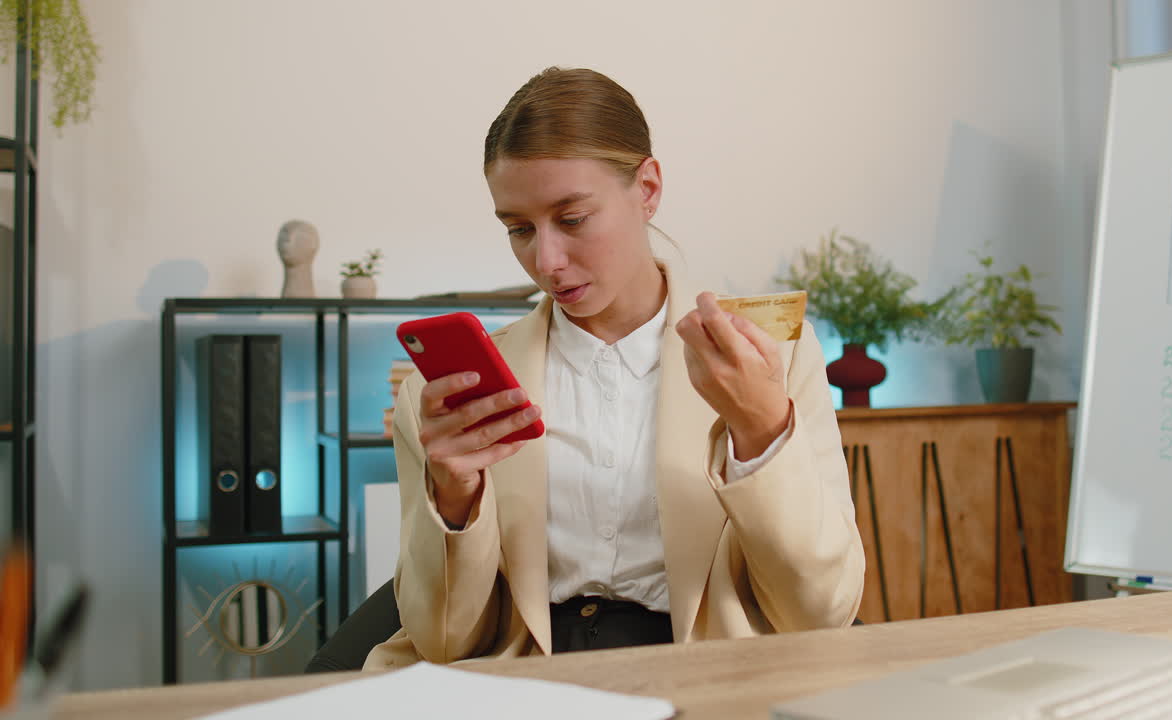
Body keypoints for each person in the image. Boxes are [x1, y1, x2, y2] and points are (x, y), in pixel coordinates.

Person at [365, 67, 864, 668]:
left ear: (647, 188)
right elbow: (443, 643)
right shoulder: (442, 397)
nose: (546, 261)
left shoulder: (772, 357)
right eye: (519, 229)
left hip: (710, 679)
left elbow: (821, 614)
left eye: (572, 219)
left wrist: (762, 432)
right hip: (527, 681)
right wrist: (453, 500)